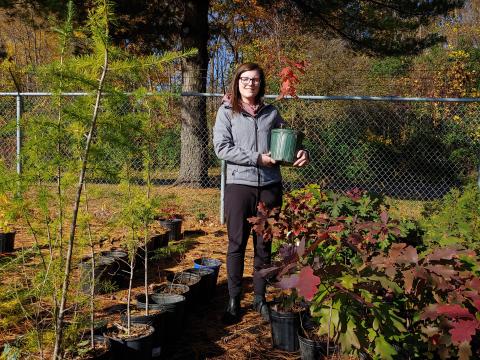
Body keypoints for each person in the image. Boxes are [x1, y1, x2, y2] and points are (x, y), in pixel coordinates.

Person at [213, 62, 309, 324]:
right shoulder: (226, 112)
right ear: (237, 81)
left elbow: (287, 143)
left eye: (255, 79)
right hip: (239, 186)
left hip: (269, 186)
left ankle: (259, 298)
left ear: (261, 84)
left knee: (264, 245)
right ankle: (233, 300)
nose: (249, 83)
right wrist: (257, 158)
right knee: (236, 244)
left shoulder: (272, 113)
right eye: (245, 79)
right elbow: (222, 148)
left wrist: (301, 152)